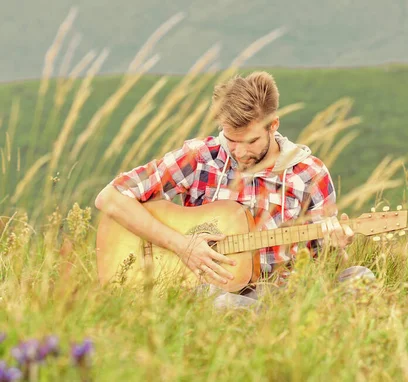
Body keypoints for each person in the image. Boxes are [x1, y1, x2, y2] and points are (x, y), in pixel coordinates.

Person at [94, 71, 372, 308]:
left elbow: (327, 267)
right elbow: (110, 197)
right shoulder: (201, 157)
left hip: (283, 294)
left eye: (250, 141)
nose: (239, 151)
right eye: (231, 139)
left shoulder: (309, 174)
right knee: (223, 303)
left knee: (361, 278)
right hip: (211, 292)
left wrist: (337, 247)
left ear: (273, 125)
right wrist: (182, 246)